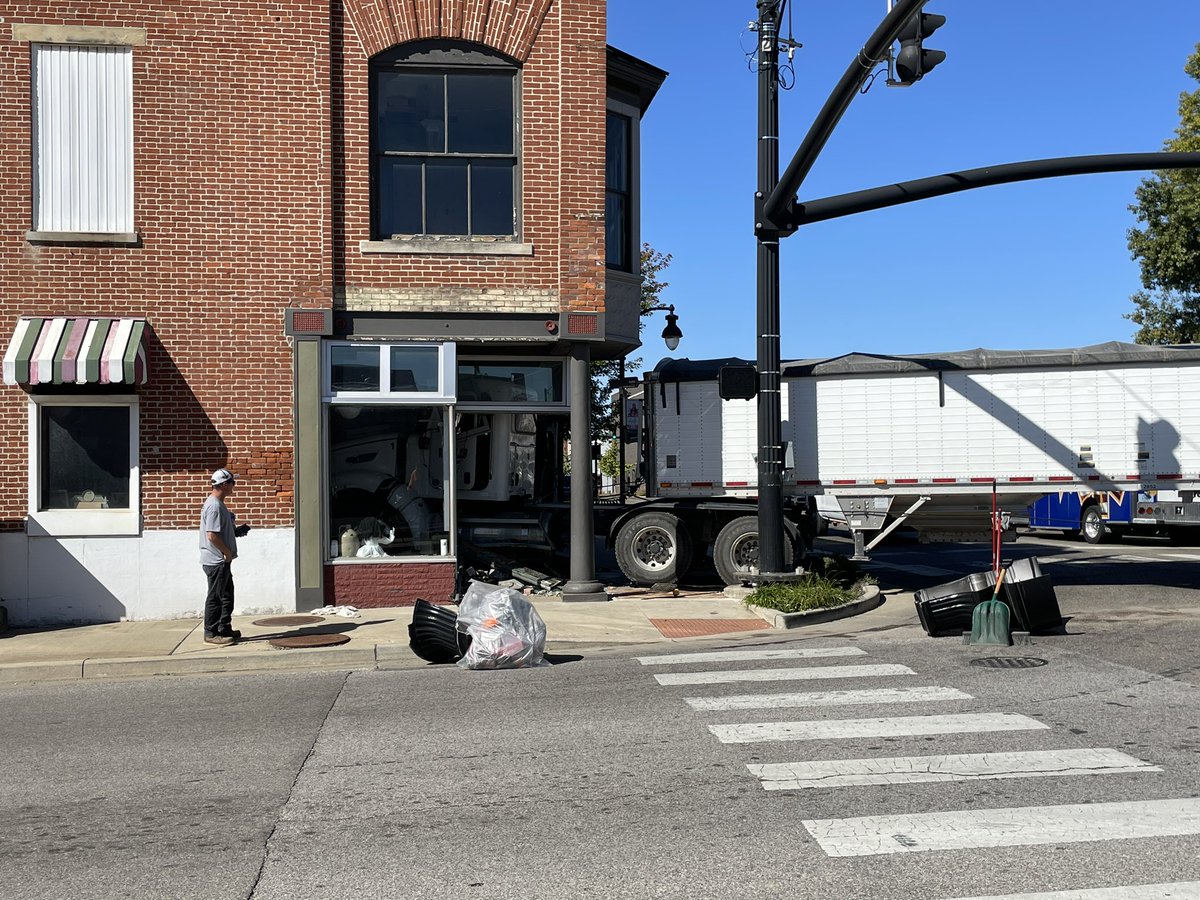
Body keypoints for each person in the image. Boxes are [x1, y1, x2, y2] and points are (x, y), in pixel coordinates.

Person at [199, 468, 250, 645]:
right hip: (216, 561)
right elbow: (212, 535)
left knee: (227, 595)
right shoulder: (213, 506)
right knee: (216, 597)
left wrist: (235, 531)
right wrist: (226, 553)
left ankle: (224, 628)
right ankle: (211, 633)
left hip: (221, 560)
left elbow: (219, 531)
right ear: (225, 484)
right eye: (232, 483)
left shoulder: (218, 504)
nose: (234, 486)